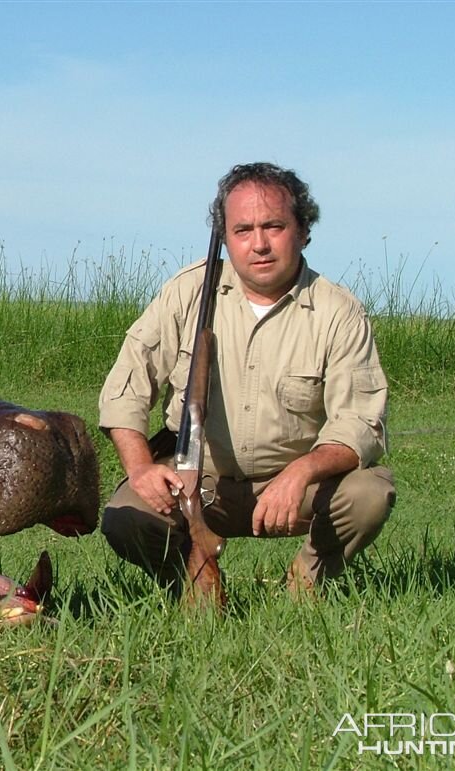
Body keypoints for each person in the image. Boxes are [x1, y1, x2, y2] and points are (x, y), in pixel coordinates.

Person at [98, 162, 396, 595]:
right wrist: (141, 467)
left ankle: (307, 583)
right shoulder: (188, 291)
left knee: (369, 494)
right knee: (126, 514)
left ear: (303, 230)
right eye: (242, 230)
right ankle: (190, 582)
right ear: (226, 237)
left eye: (273, 226)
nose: (258, 244)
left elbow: (358, 425)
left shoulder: (338, 311)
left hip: (294, 488)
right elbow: (126, 388)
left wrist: (302, 472)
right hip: (198, 483)